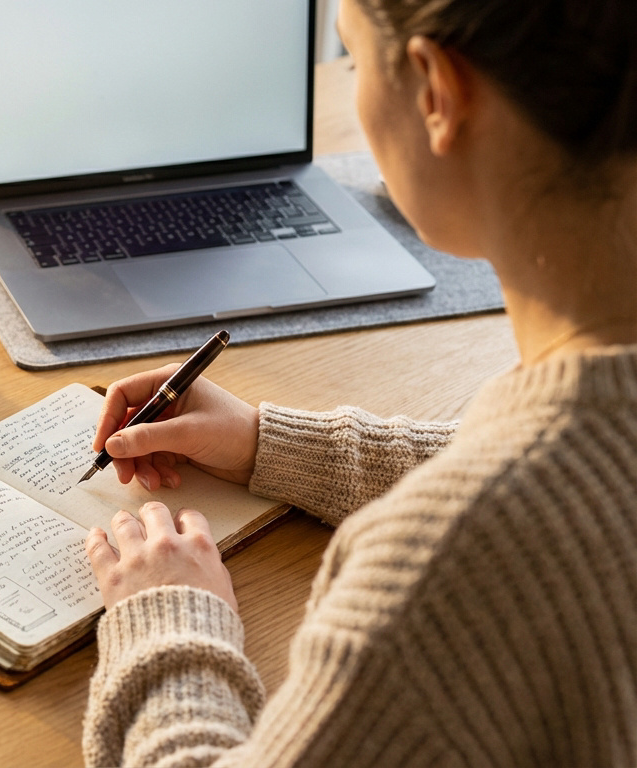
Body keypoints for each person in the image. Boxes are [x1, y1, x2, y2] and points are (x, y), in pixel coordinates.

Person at [81, 0, 637, 764]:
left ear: (436, 91)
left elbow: (514, 519)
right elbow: (584, 476)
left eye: (348, 56)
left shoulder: (443, 568)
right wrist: (266, 444)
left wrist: (168, 617)